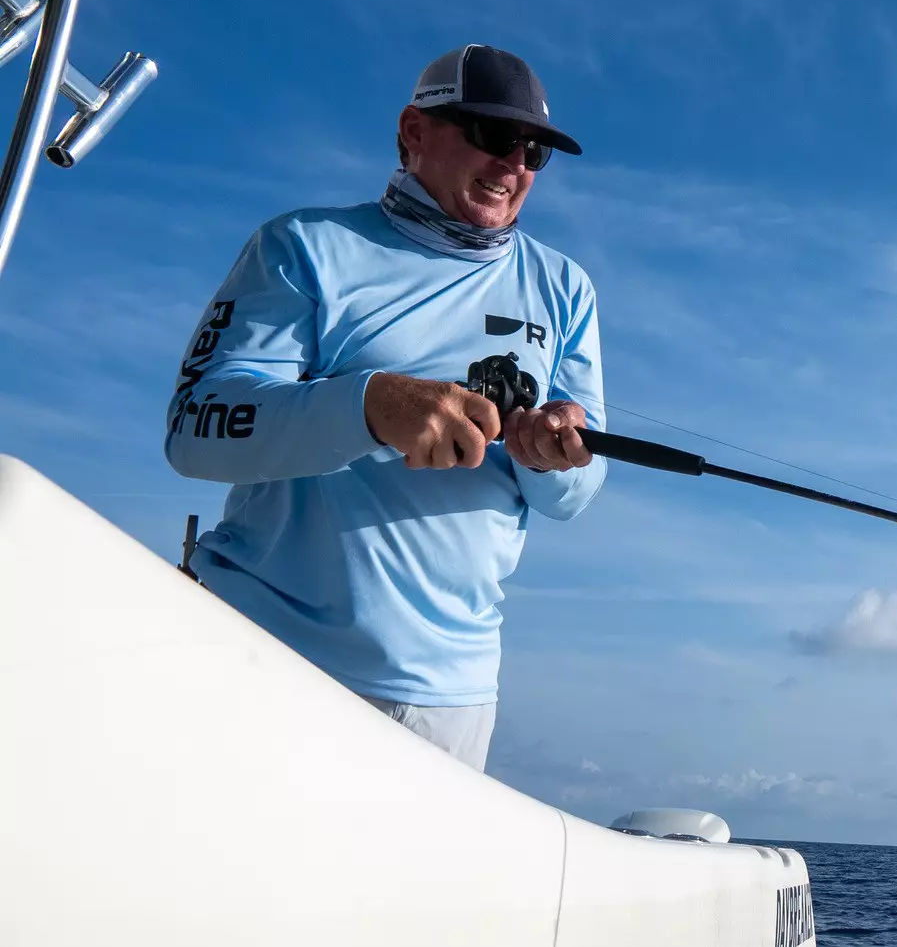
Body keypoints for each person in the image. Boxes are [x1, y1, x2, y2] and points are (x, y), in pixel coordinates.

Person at [164, 44, 607, 771]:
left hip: (453, 698)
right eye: (495, 137)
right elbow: (196, 428)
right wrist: (368, 407)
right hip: (265, 654)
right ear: (413, 131)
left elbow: (574, 494)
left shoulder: (565, 290)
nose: (514, 166)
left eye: (534, 151)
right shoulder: (303, 246)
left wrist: (557, 457)